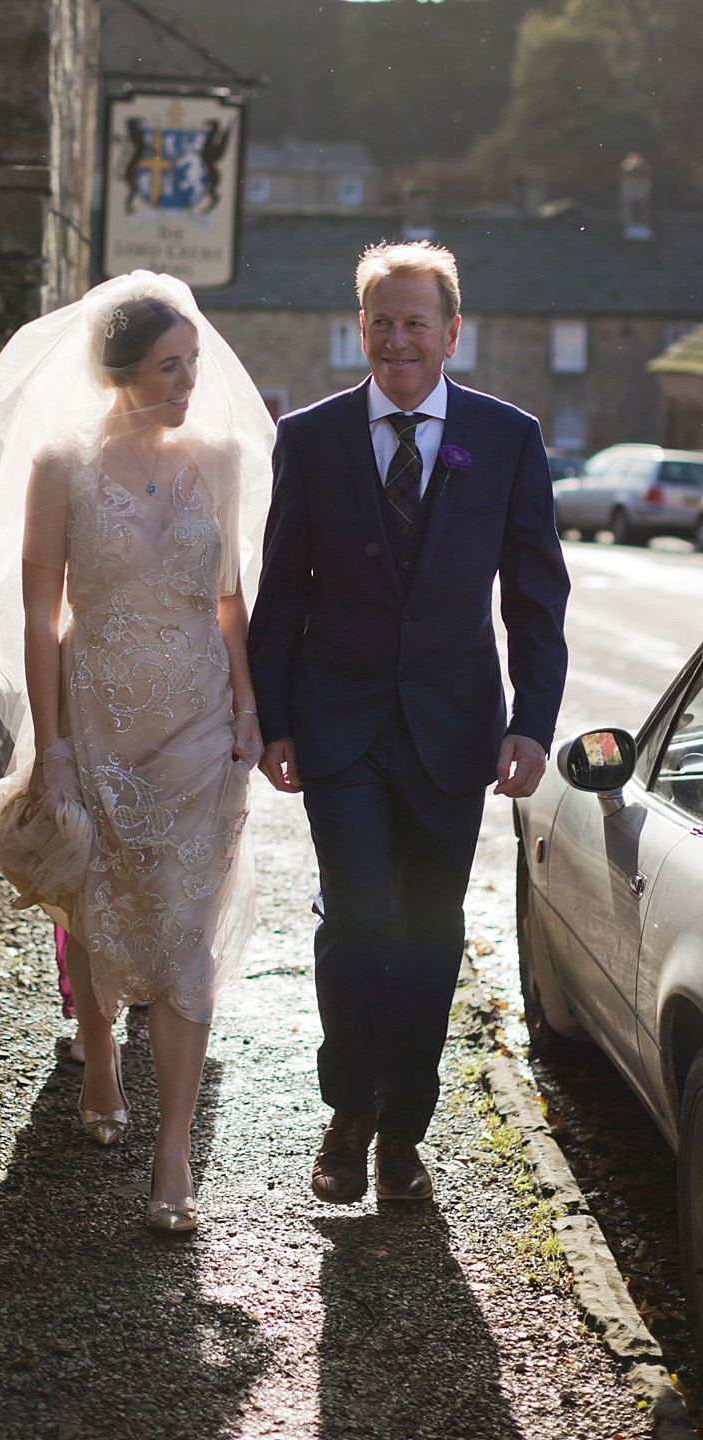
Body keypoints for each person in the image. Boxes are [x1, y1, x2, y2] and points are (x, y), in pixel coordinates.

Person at [247, 240, 570, 1206]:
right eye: (380, 322)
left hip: (453, 730)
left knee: (430, 933)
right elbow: (280, 593)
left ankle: (403, 1131)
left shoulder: (506, 438)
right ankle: (348, 1112)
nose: (397, 340)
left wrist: (532, 723)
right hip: (338, 725)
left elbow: (536, 599)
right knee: (357, 916)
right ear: (361, 329)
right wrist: (273, 721)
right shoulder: (310, 437)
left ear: (450, 332)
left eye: (414, 323)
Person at [0, 271, 274, 1232]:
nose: (188, 382)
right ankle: (99, 1046)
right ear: (120, 373)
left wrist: (250, 705)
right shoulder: (60, 464)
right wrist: (49, 746)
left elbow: (228, 598)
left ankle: (173, 1155)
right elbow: (41, 617)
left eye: (192, 363)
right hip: (95, 716)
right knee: (100, 900)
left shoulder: (215, 457)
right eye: (168, 367)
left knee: (184, 934)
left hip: (199, 722)